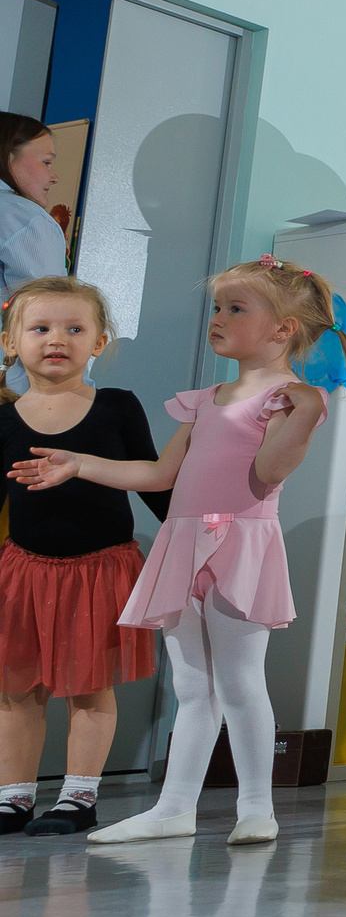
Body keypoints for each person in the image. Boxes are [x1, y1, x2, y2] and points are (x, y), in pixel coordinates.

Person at [15, 258, 346, 843]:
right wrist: (79, 464)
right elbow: (159, 475)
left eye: (236, 308)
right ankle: (174, 807)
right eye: (217, 306)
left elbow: (266, 472)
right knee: (190, 686)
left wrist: (306, 416)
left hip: (239, 542)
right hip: (184, 543)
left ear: (282, 329)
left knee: (239, 680)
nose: (218, 318)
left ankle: (257, 806)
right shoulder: (205, 400)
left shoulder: (293, 398)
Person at [0, 279, 167, 836]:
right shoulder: (3, 420)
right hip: (24, 570)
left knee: (90, 687)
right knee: (17, 689)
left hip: (99, 570)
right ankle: (14, 797)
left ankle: (79, 797)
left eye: (75, 329)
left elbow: (155, 484)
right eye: (41, 328)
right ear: (10, 341)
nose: (57, 340)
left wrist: (197, 538)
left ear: (99, 342)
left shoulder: (117, 408)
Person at [0, 115, 65, 301]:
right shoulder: (26, 218)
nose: (54, 177)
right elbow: (45, 310)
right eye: (46, 162)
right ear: (8, 157)